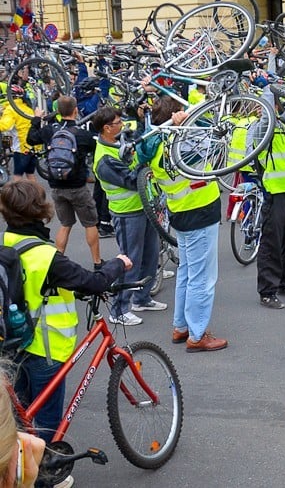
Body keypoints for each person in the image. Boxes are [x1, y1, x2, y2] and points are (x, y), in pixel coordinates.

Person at [0, 181, 130, 447]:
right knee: (47, 421)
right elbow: (93, 282)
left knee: (21, 415)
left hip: (12, 343)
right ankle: (47, 473)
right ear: (40, 210)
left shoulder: (6, 242)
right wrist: (118, 264)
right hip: (45, 349)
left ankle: (18, 467)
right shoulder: (46, 256)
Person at [142, 96, 227, 352]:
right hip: (200, 212)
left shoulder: (156, 143)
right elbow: (213, 134)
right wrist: (190, 123)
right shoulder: (182, 143)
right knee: (203, 278)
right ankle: (198, 334)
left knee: (188, 273)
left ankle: (181, 326)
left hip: (180, 213)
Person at [91, 106, 165, 327]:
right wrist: (145, 161)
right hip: (126, 213)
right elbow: (133, 180)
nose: (122, 125)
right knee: (129, 260)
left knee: (151, 254)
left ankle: (142, 298)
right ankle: (119, 309)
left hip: (144, 207)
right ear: (106, 128)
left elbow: (139, 140)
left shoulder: (118, 142)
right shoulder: (104, 159)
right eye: (117, 122)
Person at [246, 84, 285, 310]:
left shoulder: (284, 123)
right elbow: (267, 104)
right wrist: (269, 85)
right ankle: (267, 291)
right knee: (272, 243)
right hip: (275, 192)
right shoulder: (260, 129)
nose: (273, 107)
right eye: (269, 105)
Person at [27, 97, 101, 268]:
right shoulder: (82, 134)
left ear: (58, 112)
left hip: (56, 187)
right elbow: (96, 148)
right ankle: (97, 262)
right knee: (90, 224)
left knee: (65, 224)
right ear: (75, 110)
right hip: (78, 187)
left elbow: (31, 139)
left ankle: (58, 261)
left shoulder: (49, 132)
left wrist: (37, 119)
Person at [0, 372, 46, 488]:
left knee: (19, 407)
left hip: (20, 355)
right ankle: (46, 470)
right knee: (48, 413)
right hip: (49, 356)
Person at [0, 86, 39, 182]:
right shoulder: (27, 108)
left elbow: (5, 126)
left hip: (21, 147)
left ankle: (17, 196)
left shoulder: (11, 109)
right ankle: (37, 195)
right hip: (33, 147)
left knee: (17, 177)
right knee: (30, 174)